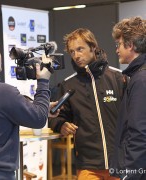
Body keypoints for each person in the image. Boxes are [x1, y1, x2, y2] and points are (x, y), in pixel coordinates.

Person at [0, 30, 52, 180]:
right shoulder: (2, 92)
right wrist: (43, 82)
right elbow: (38, 119)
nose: (0, 55)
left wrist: (42, 106)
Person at [49, 28, 126, 180]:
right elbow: (55, 116)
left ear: (93, 47)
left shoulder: (119, 78)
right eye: (72, 52)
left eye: (80, 49)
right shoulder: (68, 85)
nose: (76, 55)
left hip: (120, 163)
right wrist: (61, 124)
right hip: (87, 165)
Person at [111, 16, 146, 180]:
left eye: (118, 44)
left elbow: (139, 133)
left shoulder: (140, 79)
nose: (117, 50)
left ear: (130, 45)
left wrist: (129, 174)